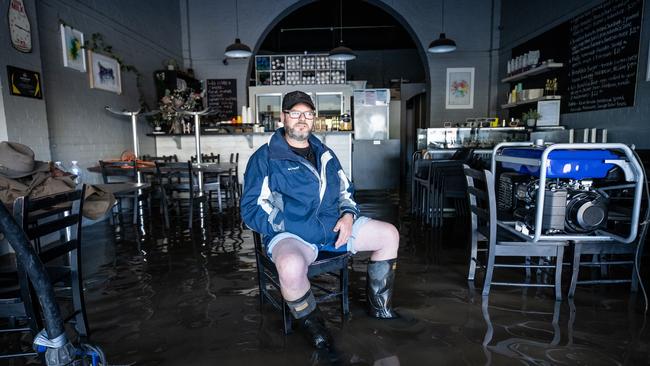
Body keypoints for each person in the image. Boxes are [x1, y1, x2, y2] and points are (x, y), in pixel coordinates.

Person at [241, 91, 400, 349]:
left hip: (333, 230)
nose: (302, 119)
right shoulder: (265, 158)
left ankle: (381, 310)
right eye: (295, 113)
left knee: (389, 234)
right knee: (291, 266)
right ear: (283, 117)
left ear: (314, 118)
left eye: (308, 114)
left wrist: (348, 216)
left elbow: (346, 191)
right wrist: (287, 224)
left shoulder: (325, 153)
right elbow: (250, 209)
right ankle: (317, 332)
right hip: (291, 236)